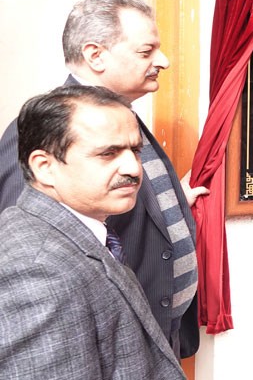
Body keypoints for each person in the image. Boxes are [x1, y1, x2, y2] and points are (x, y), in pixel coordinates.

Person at [0, 0, 205, 358]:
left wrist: (172, 199)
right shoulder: (41, 130)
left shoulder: (122, 116)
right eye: (146, 51)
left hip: (155, 337)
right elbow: (29, 248)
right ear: (95, 55)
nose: (164, 60)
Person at [0, 85, 185, 379]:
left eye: (134, 150)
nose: (134, 169)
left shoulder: (76, 229)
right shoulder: (38, 273)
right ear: (45, 167)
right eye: (108, 153)